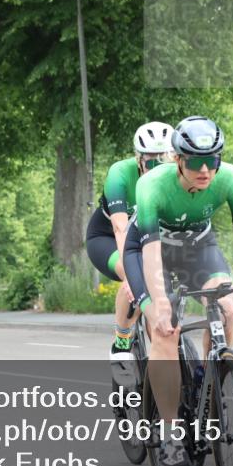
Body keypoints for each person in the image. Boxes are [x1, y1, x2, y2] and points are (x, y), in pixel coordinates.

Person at [123, 115, 233, 466]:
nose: (205, 170)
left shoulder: (231, 177)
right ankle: (170, 435)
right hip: (148, 251)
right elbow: (151, 254)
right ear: (177, 159)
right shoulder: (152, 185)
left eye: (212, 160)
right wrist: (160, 304)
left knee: (227, 308)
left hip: (197, 248)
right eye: (196, 162)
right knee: (165, 330)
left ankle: (209, 385)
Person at [85, 121, 175, 384]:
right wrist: (133, 273)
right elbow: (121, 228)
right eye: (151, 162)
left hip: (150, 238)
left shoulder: (178, 177)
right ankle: (122, 342)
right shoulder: (120, 174)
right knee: (134, 278)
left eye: (164, 162)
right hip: (109, 239)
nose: (157, 169)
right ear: (138, 158)